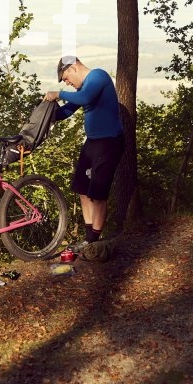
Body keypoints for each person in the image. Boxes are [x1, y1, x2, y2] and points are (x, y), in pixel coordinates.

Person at [44, 55, 125, 252]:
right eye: (65, 82)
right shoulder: (82, 89)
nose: (67, 83)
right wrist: (46, 113)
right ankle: (89, 238)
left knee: (98, 194)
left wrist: (59, 93)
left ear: (73, 68)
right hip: (93, 142)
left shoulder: (98, 76)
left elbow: (85, 98)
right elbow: (66, 112)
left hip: (109, 142)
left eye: (65, 78)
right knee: (82, 188)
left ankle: (94, 240)